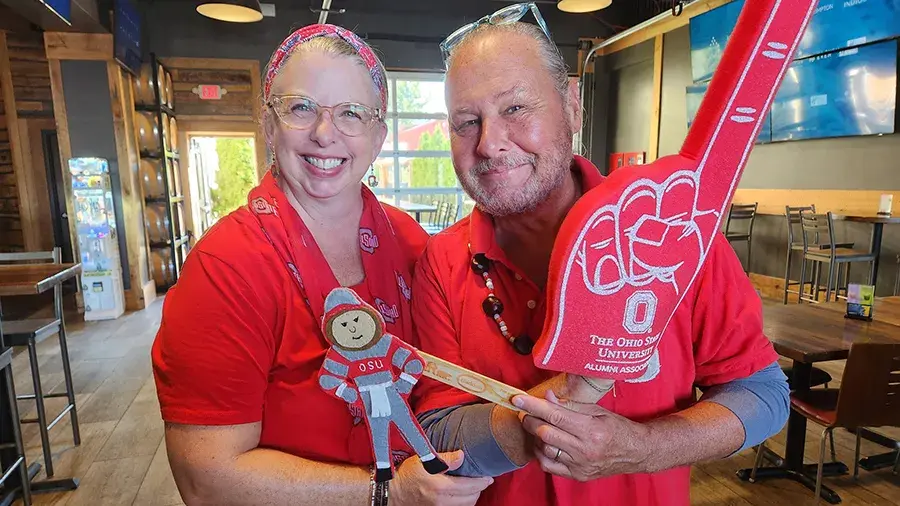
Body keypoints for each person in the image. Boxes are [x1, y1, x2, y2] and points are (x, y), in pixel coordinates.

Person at [409, 6, 790, 506]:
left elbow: (763, 395)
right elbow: (438, 433)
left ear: (571, 105)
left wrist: (645, 448)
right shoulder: (441, 260)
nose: (490, 143)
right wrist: (574, 394)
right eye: (466, 122)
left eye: (515, 108)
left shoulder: (671, 230)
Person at [151, 24, 493, 506]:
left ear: (378, 136)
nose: (324, 133)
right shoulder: (225, 268)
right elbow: (206, 479)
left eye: (352, 113)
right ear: (268, 124)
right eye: (300, 108)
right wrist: (388, 494)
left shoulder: (411, 243)